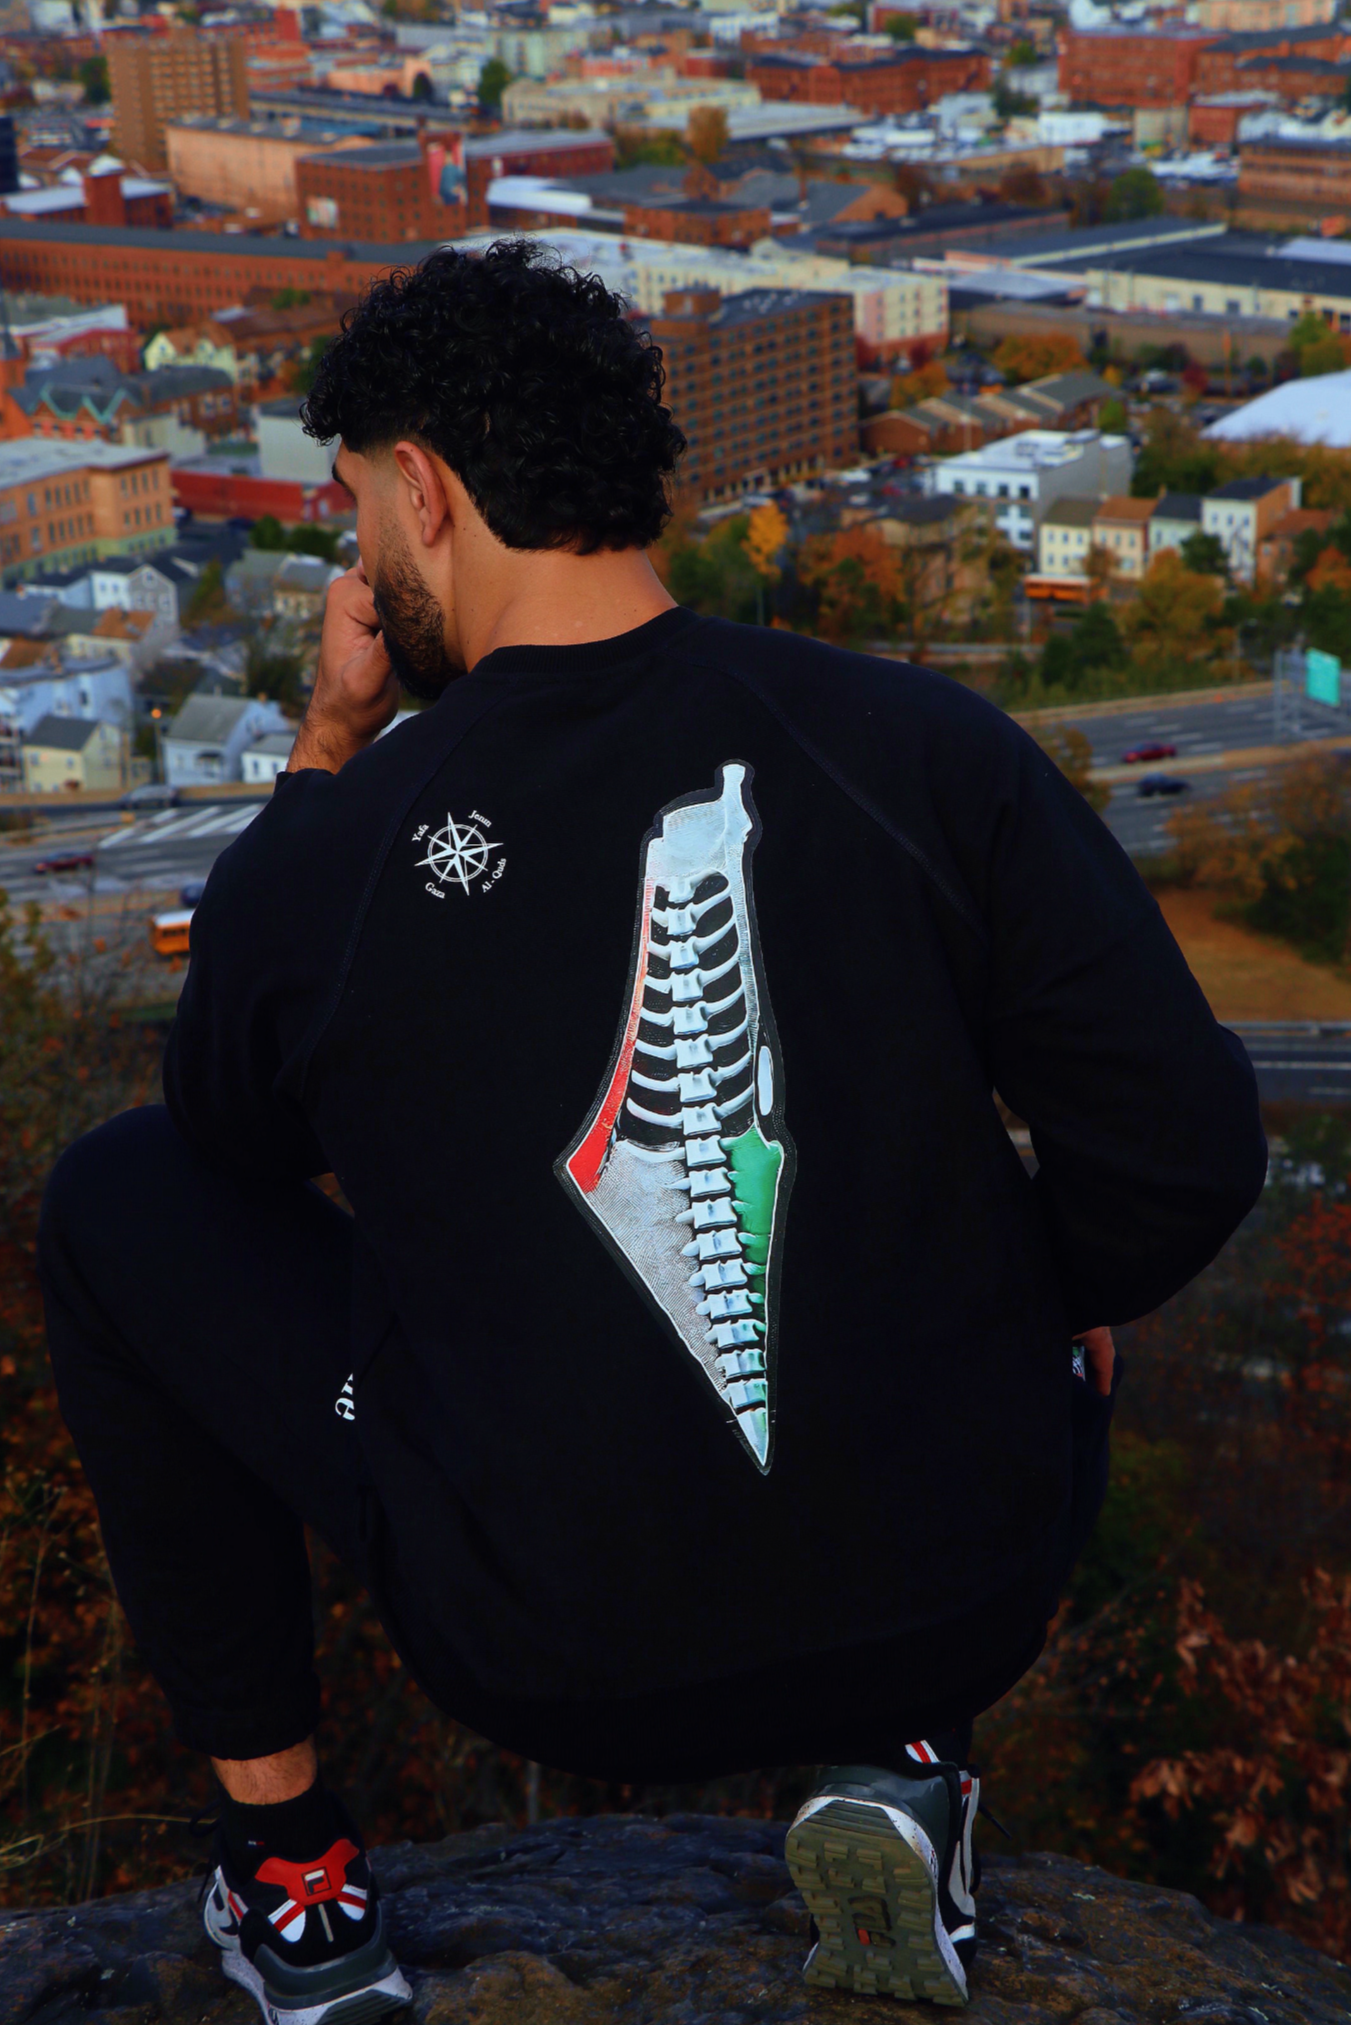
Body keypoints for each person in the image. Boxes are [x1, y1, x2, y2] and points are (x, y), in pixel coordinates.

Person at [39, 241, 1266, 2018]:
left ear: (425, 491)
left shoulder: (351, 851)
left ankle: (293, 1877)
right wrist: (1035, 1285)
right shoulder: (919, 747)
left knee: (113, 1200)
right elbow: (1186, 1150)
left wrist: (323, 753)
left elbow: (221, 1135)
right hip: (964, 1589)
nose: (360, 562)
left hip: (555, 1650)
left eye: (357, 508)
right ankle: (904, 1758)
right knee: (993, 1226)